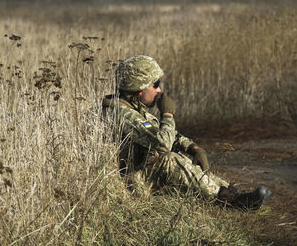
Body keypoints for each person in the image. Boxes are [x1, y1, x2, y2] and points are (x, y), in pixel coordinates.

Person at [101, 55, 271, 209]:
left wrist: (192, 148)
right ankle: (228, 201)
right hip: (130, 182)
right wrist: (167, 114)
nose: (159, 90)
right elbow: (162, 144)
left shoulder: (134, 109)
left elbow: (161, 133)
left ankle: (232, 193)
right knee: (169, 159)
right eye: (156, 84)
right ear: (140, 89)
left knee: (180, 157)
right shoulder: (120, 113)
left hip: (140, 173)